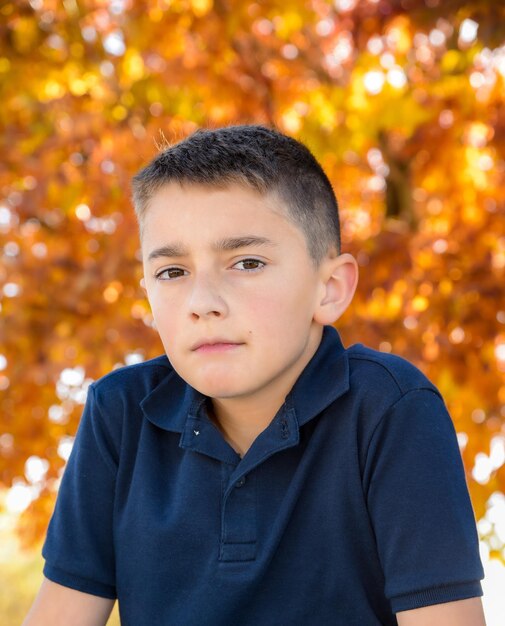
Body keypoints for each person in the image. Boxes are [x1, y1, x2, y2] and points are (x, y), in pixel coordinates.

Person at [24, 125, 486, 626]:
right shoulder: (120, 412)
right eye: (172, 272)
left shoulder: (390, 408)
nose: (203, 304)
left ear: (329, 288)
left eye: (246, 262)